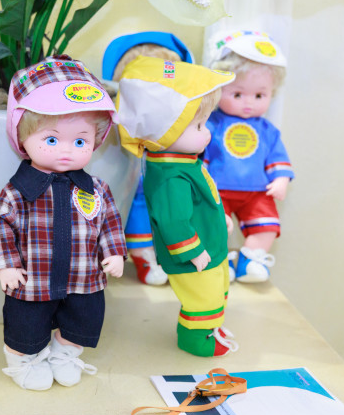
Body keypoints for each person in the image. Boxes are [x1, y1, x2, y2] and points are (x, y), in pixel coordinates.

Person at [0, 56, 126, 391]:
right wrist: (7, 264)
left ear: (95, 140)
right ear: (23, 137)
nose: (67, 151)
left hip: (84, 278)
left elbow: (109, 221)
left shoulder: (96, 188)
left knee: (83, 321)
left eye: (80, 141)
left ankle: (65, 352)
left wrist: (114, 252)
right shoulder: (18, 191)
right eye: (51, 139)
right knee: (25, 325)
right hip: (32, 281)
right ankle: (24, 359)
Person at [115, 56, 238, 357]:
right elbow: (173, 221)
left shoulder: (183, 163)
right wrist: (191, 251)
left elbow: (203, 197)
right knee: (202, 298)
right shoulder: (170, 178)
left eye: (204, 123)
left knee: (217, 287)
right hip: (195, 253)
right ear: (163, 132)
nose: (207, 132)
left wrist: (220, 218)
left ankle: (213, 327)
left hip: (209, 241)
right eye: (198, 125)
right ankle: (196, 338)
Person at [102, 31, 194, 285]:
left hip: (169, 179)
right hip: (136, 181)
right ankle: (144, 256)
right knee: (138, 208)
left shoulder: (183, 116)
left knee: (176, 211)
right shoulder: (118, 113)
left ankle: (178, 254)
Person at [204, 30, 292, 283]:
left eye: (259, 95)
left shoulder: (267, 130)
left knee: (267, 225)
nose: (248, 103)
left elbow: (277, 157)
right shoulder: (212, 123)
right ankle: (219, 262)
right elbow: (201, 152)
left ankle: (251, 259)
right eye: (237, 94)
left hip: (257, 191)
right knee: (215, 225)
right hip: (216, 189)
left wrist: (281, 180)